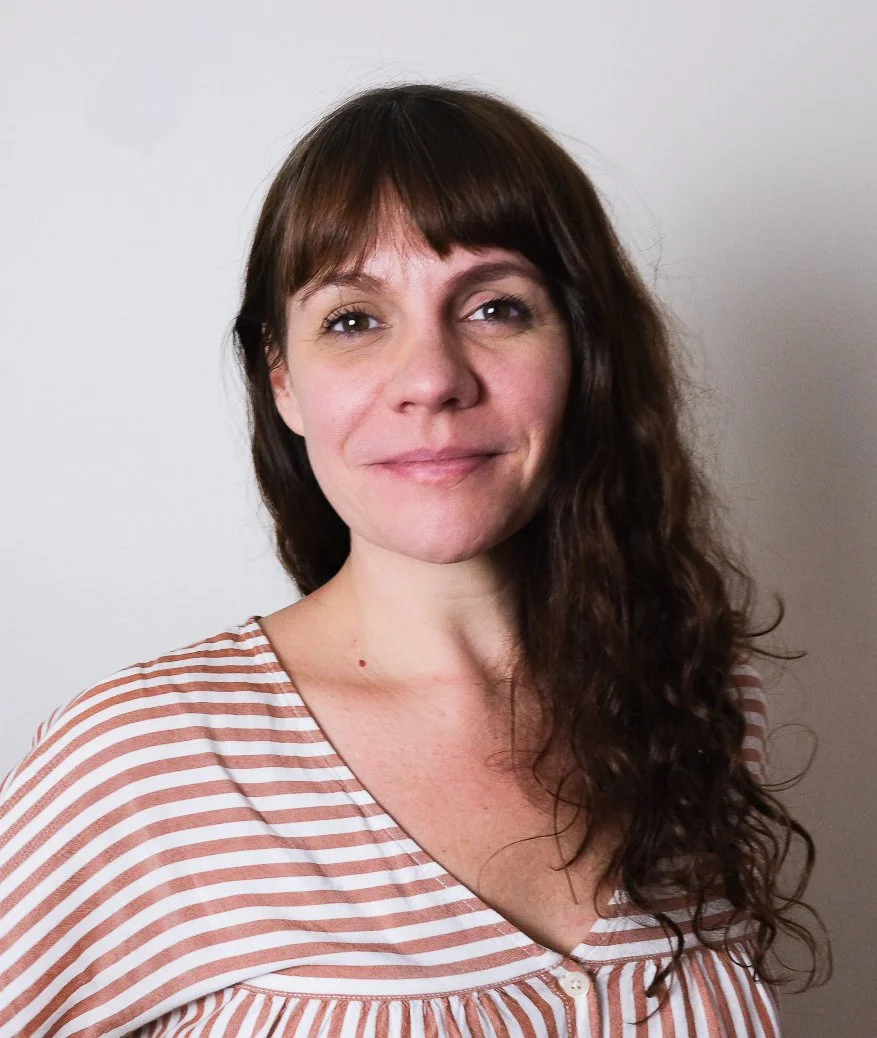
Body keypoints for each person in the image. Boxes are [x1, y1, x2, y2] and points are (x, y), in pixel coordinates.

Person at [0, 83, 828, 1037]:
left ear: (582, 351)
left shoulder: (694, 701)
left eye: (495, 307)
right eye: (353, 319)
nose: (432, 379)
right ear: (282, 378)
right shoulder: (141, 766)